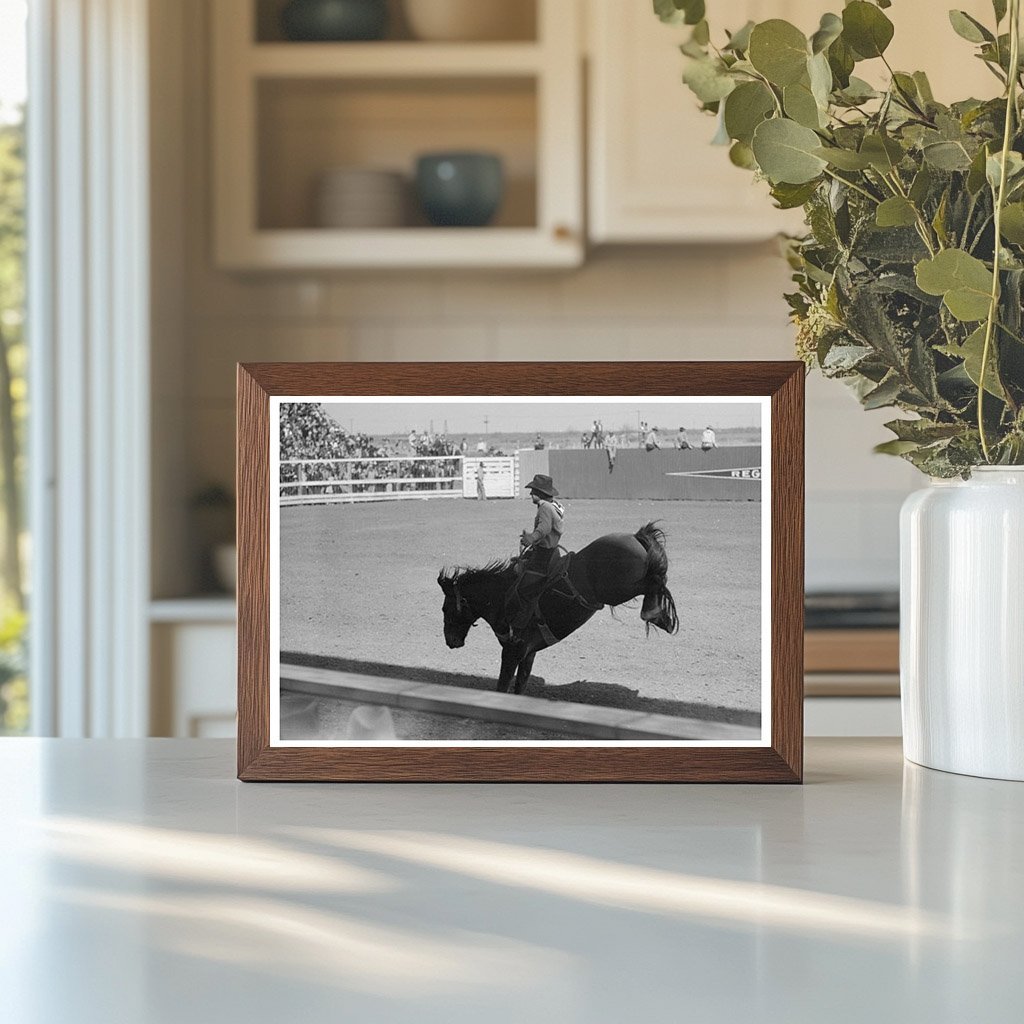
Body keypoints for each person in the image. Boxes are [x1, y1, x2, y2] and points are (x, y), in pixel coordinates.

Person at [510, 474, 565, 632]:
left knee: (523, 587)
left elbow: (544, 528)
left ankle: (524, 622)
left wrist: (531, 538)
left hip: (544, 555)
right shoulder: (553, 505)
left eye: (533, 491)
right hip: (551, 550)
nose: (530, 494)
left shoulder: (544, 508)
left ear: (540, 493)